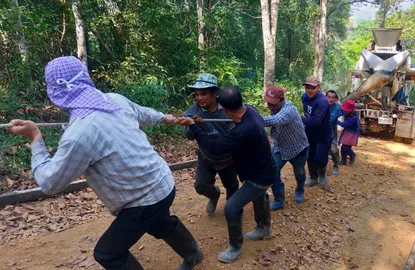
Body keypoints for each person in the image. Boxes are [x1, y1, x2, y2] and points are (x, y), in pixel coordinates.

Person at [7, 56, 203, 270]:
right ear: (86, 79)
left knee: (108, 254)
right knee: (158, 222)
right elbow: (144, 113)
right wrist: (165, 117)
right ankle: (193, 254)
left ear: (55, 93)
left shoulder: (78, 135)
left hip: (143, 200)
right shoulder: (114, 100)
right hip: (164, 182)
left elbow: (49, 183)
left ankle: (193, 253)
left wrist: (36, 137)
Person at [177, 86, 275, 263]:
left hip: (260, 176)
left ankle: (235, 248)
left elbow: (215, 147)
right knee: (259, 197)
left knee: (231, 207)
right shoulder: (251, 112)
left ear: (226, 109)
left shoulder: (241, 131)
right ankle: (263, 228)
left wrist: (194, 127)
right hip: (262, 169)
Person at [183, 73, 239, 216]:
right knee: (201, 186)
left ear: (215, 93)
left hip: (229, 157)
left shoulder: (227, 108)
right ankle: (214, 195)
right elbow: (188, 136)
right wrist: (194, 126)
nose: (199, 98)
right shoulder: (193, 111)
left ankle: (231, 211)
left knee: (232, 186)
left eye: (203, 94)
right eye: (196, 94)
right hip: (207, 156)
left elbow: (240, 127)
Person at [262, 86, 309, 210]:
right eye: (268, 103)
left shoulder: (289, 109)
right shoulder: (274, 109)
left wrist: (251, 119)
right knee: (272, 171)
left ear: (282, 100)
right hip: (280, 147)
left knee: (299, 172)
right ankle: (279, 200)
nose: (270, 107)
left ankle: (300, 188)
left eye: (273, 104)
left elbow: (276, 120)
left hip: (298, 148)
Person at [301, 76, 332, 189]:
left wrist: (298, 119)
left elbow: (315, 121)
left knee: (320, 158)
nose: (309, 90)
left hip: (323, 134)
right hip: (310, 133)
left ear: (318, 87)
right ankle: (313, 177)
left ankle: (322, 173)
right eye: (307, 87)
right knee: (310, 156)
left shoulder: (322, 101)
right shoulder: (304, 97)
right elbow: (307, 114)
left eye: (313, 88)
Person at [337, 100, 360, 165]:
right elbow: (341, 109)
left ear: (350, 110)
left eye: (346, 110)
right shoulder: (347, 112)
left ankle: (352, 154)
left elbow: (344, 124)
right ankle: (343, 160)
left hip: (352, 133)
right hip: (347, 131)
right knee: (343, 147)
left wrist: (335, 120)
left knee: (345, 147)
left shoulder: (354, 118)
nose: (345, 111)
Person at [326, 90, 343, 175]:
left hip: (332, 134)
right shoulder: (321, 105)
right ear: (326, 97)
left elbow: (330, 119)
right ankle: (321, 170)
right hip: (321, 133)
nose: (330, 99)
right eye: (329, 97)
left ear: (335, 99)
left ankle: (336, 165)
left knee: (333, 149)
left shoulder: (337, 108)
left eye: (333, 98)